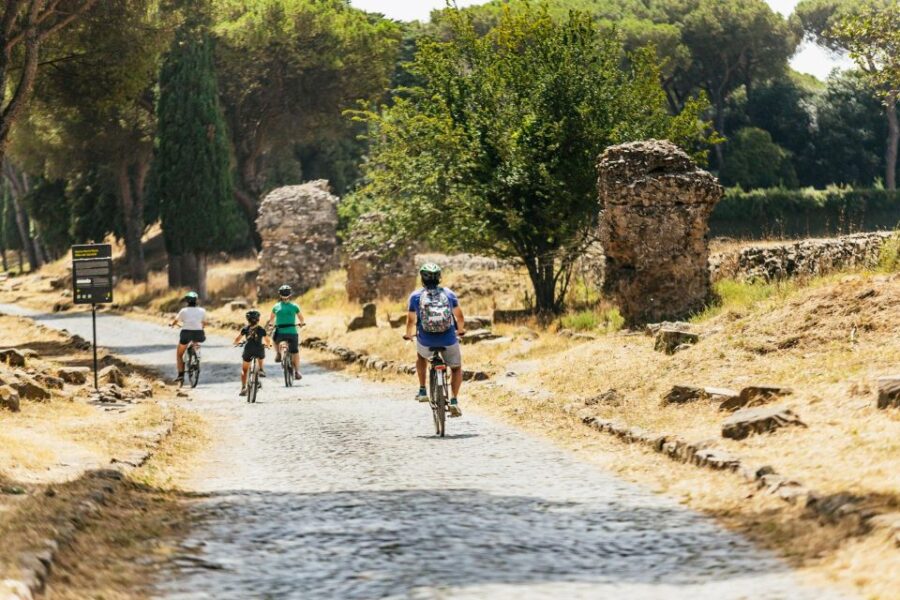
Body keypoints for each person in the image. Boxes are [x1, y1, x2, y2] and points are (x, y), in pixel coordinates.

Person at [404, 263, 466, 417]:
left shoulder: (416, 296)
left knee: (421, 356)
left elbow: (411, 320)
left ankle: (423, 390)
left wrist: (408, 334)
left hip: (426, 340)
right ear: (439, 277)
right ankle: (453, 401)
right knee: (456, 368)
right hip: (449, 339)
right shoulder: (449, 294)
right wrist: (461, 331)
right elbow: (460, 317)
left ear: (422, 278)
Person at [266, 284, 305, 380]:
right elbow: (301, 318)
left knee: (274, 340)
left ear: (280, 295)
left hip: (280, 331)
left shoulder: (276, 306)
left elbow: (271, 320)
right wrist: (301, 323)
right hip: (292, 331)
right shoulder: (295, 306)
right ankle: (297, 372)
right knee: (295, 351)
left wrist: (271, 326)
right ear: (290, 294)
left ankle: (278, 354)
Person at [169, 291, 206, 384]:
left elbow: (175, 321)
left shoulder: (183, 311)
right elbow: (204, 323)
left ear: (187, 301)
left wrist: (172, 324)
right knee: (196, 341)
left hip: (186, 333)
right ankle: (196, 357)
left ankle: (180, 375)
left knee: (179, 354)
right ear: (196, 301)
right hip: (199, 334)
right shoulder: (202, 311)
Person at [234, 310, 271, 396]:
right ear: (258, 319)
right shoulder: (261, 329)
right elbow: (267, 340)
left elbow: (237, 340)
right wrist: (268, 345)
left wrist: (237, 344)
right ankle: (261, 369)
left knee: (244, 369)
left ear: (248, 320)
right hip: (259, 349)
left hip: (248, 349)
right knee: (261, 356)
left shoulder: (245, 329)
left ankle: (243, 387)